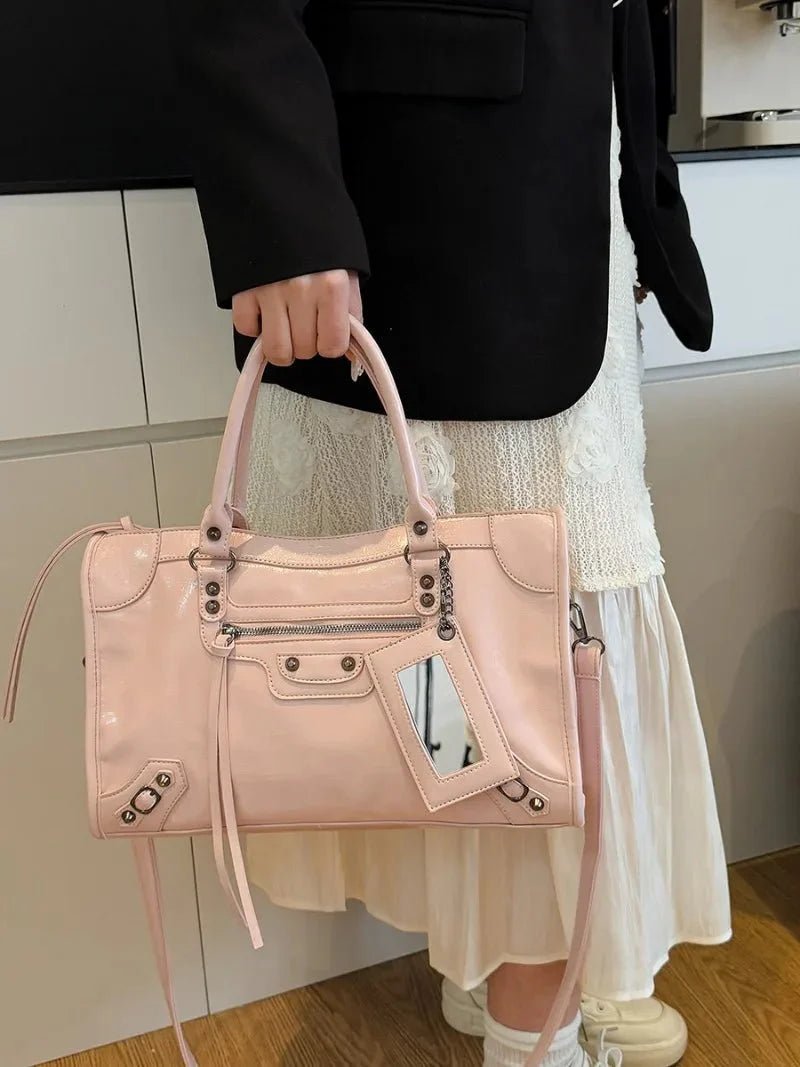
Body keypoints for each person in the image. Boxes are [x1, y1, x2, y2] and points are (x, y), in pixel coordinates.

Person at [166, 2, 732, 1064]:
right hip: (428, 202)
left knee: (497, 649)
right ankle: (535, 1034)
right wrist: (284, 206)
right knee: (505, 646)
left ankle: (507, 974)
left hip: (560, 175)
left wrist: (632, 173)